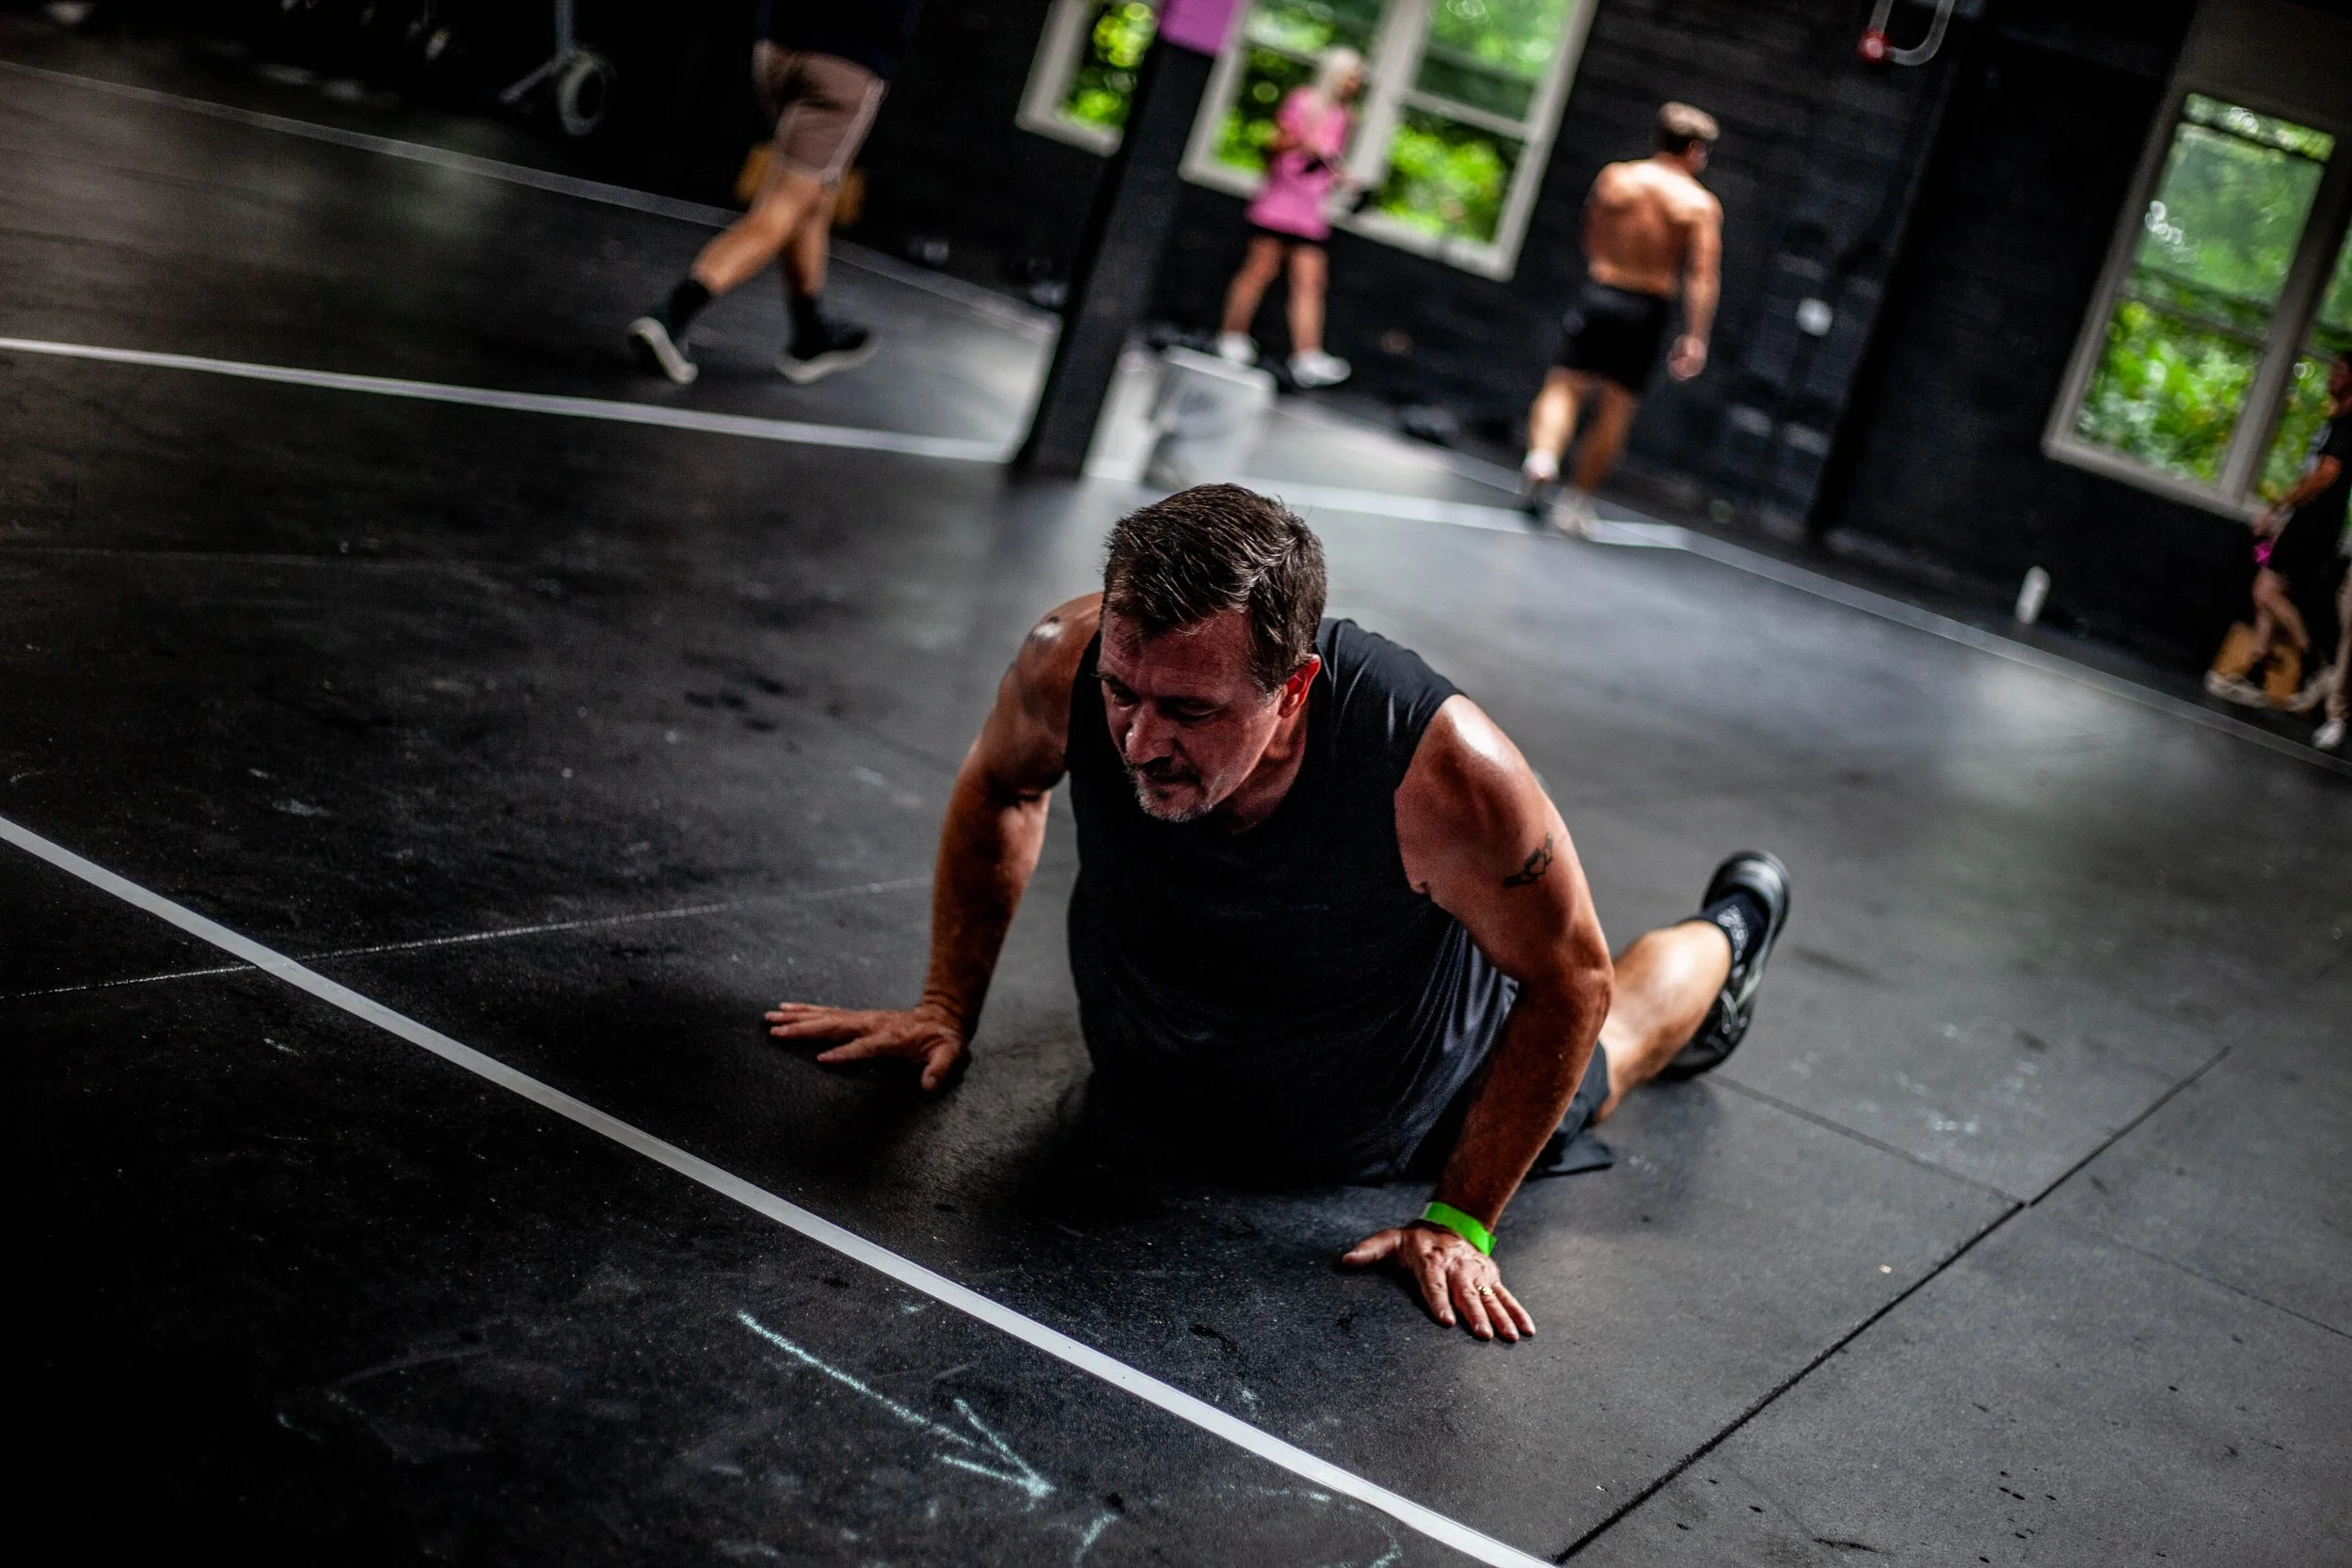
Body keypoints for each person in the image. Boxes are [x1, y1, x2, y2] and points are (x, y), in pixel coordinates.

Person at [766, 485, 1792, 1342]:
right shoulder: (1064, 660)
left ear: (1295, 687)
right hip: (1165, 1063)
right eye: (1126, 692)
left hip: (1410, 1097)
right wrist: (945, 1002)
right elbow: (1002, 785)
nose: (1138, 741)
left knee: (1625, 1030)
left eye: (1192, 712)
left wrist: (1462, 1217)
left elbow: (1570, 977)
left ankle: (1735, 924)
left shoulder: (1442, 773)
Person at [627, 1, 922, 388]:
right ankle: (672, 316)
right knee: (786, 204)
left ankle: (809, 332)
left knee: (814, 195)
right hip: (845, 67)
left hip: (777, 52)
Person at [1521, 103, 1724, 535]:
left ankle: (1542, 457)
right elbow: (1702, 274)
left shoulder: (1616, 179)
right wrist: (1695, 336)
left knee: (1564, 384)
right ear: (1692, 150)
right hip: (1647, 308)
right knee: (1617, 403)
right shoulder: (1698, 204)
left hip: (1603, 291)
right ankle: (1575, 503)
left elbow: (1592, 236)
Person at [1213, 49, 1365, 390]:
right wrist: (1303, 145)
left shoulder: (1343, 116)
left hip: (1310, 212)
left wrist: (1339, 176)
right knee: (1259, 270)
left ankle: (1307, 356)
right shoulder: (1303, 102)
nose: (1355, 82)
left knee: (1310, 282)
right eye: (1351, 74)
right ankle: (1230, 336)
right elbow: (1273, 147)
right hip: (1280, 203)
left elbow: (1328, 160)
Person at [2209, 351, 2351, 710]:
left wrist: (2282, 506)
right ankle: (2257, 670)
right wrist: (2280, 516)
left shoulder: (2349, 424)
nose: (2331, 377)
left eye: (2340, 371)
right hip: (2304, 520)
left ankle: (2314, 662)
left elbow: (2327, 474)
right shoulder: (2334, 420)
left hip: (2315, 524)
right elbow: (2315, 471)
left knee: (2266, 590)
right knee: (2267, 588)